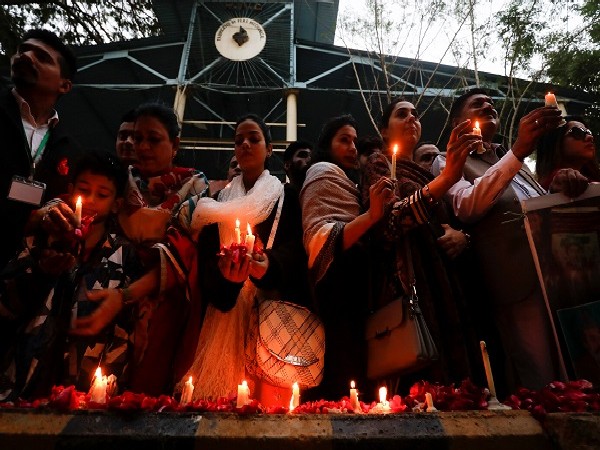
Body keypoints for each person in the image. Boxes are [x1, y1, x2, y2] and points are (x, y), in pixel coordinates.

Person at [432, 88, 588, 391]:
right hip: (514, 284)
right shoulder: (446, 161)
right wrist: (518, 151)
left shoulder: (511, 159)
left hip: (555, 280)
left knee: (574, 367)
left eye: (491, 102)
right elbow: (466, 205)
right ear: (456, 122)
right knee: (539, 378)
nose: (488, 105)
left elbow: (534, 207)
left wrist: (559, 188)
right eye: (477, 104)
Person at [180, 113, 310, 405]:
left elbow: (296, 248)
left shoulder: (286, 195)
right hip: (225, 315)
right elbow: (209, 261)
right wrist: (228, 279)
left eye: (254, 138)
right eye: (239, 141)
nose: (246, 145)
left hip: (271, 314)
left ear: (270, 148)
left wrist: (269, 265)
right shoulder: (218, 203)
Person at [0, 151, 143, 400]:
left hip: (89, 382)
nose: (89, 200)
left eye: (102, 195)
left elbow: (125, 330)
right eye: (83, 190)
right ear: (70, 189)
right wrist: (42, 272)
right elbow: (6, 304)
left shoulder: (123, 255)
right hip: (26, 371)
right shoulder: (42, 238)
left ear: (116, 204)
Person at [361, 98, 480, 392]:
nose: (412, 117)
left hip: (446, 282)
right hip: (412, 281)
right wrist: (447, 178)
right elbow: (389, 223)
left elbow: (456, 222)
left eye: (415, 114)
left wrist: (463, 238)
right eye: (401, 114)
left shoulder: (431, 173)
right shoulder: (379, 164)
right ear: (384, 131)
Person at [300, 114, 394, 401]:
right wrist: (371, 216)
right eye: (344, 140)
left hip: (357, 282)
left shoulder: (350, 180)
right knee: (343, 369)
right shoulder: (321, 172)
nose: (353, 147)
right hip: (337, 283)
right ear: (327, 145)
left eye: (354, 140)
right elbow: (321, 234)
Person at [0, 28, 82, 270]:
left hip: (21, 279)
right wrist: (29, 219)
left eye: (42, 57)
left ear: (64, 85)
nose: (26, 56)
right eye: (23, 50)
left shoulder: (70, 150)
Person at [536, 116, 599, 190]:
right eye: (578, 132)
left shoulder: (590, 176)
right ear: (556, 142)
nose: (590, 137)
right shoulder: (559, 182)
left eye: (589, 132)